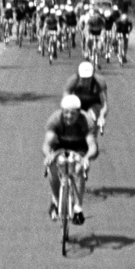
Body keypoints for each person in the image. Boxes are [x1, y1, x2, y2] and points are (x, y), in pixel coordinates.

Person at [44, 93, 97, 223]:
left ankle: (78, 208)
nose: (69, 117)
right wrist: (49, 155)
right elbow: (46, 144)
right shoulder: (55, 120)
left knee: (78, 170)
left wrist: (87, 158)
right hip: (59, 146)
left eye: (73, 114)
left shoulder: (87, 121)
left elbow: (92, 146)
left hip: (80, 147)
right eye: (66, 113)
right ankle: (56, 200)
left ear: (79, 113)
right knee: (52, 167)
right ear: (62, 111)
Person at [65, 59, 108, 134]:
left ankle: (92, 138)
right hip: (77, 104)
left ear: (93, 75)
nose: (86, 82)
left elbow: (104, 105)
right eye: (83, 79)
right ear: (78, 76)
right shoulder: (72, 82)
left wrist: (101, 117)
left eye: (89, 79)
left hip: (94, 105)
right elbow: (65, 102)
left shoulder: (100, 82)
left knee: (91, 121)